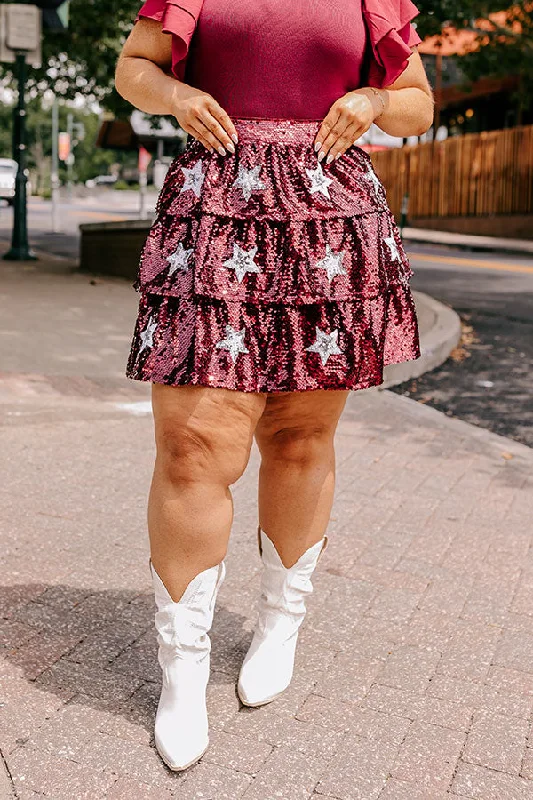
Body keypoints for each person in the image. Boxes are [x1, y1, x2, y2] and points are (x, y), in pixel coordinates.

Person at [115, 0, 433, 772]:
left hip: (328, 219)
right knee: (191, 445)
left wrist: (373, 100)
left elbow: (418, 99)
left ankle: (278, 622)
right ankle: (182, 669)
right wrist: (178, 96)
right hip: (216, 211)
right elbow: (133, 69)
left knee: (298, 438)